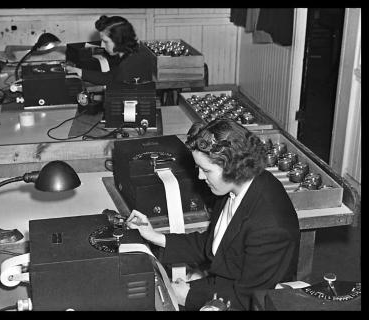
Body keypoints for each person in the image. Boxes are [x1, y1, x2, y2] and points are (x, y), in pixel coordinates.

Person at [127, 118, 301, 310]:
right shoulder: (234, 186)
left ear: (232, 168)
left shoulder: (270, 227)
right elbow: (215, 244)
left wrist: (190, 295)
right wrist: (155, 237)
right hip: (227, 286)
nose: (201, 177)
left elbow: (252, 299)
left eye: (206, 170)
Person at [65, 15, 152, 85]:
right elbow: (110, 77)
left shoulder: (131, 64)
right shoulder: (132, 54)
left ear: (119, 40)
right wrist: (77, 71)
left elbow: (110, 80)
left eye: (106, 42)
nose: (104, 47)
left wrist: (78, 72)